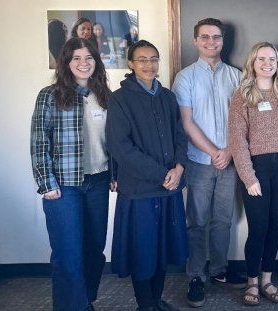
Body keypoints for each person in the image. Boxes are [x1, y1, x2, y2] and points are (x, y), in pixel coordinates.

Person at [106, 40, 189, 311]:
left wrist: (179, 168)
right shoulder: (119, 99)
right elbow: (121, 147)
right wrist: (163, 173)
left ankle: (155, 300)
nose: (149, 65)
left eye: (154, 59)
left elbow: (179, 135)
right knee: (143, 253)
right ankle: (145, 305)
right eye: (142, 59)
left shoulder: (167, 97)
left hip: (169, 188)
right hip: (139, 191)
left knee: (162, 250)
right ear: (130, 64)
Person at [31, 37, 112, 311]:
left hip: (98, 181)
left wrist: (115, 172)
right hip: (63, 187)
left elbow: (112, 140)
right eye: (76, 58)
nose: (83, 63)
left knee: (94, 250)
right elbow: (39, 142)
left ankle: (84, 302)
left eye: (89, 57)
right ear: (66, 63)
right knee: (68, 254)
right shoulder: (49, 95)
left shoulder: (104, 96)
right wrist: (45, 183)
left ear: (96, 62)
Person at [170, 17, 246, 308]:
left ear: (223, 41)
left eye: (216, 37)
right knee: (197, 221)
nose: (210, 42)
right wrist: (216, 151)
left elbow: (243, 121)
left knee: (223, 220)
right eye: (205, 37)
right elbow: (187, 123)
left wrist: (228, 151)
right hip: (199, 161)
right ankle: (197, 276)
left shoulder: (237, 77)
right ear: (195, 40)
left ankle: (219, 270)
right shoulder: (185, 77)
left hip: (230, 159)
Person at [227, 42, 278, 306]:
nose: (267, 63)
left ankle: (267, 280)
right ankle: (252, 282)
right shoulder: (242, 94)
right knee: (258, 227)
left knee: (274, 225)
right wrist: (249, 177)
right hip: (256, 167)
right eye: (261, 59)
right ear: (252, 63)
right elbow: (237, 139)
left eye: (272, 59)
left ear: (277, 63)